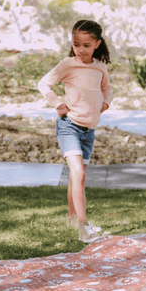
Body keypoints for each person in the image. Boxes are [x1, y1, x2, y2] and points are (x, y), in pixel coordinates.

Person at [38, 19, 113, 243]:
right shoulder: (67, 64)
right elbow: (44, 83)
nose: (80, 50)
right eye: (76, 44)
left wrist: (106, 103)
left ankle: (72, 218)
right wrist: (57, 103)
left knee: (76, 178)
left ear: (97, 44)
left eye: (86, 45)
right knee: (78, 174)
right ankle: (83, 227)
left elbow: (107, 89)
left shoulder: (99, 67)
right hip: (68, 126)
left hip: (88, 130)